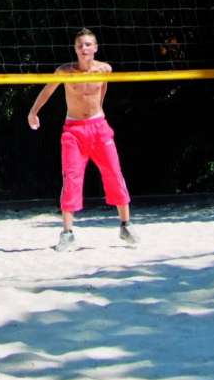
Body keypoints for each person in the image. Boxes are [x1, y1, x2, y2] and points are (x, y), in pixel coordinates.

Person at [27, 27, 135, 250]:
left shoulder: (105, 69)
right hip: (73, 131)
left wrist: (98, 114)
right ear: (75, 49)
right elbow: (48, 90)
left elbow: (102, 91)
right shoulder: (65, 71)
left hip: (99, 128)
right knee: (72, 178)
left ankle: (126, 225)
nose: (84, 48)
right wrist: (33, 112)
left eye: (88, 44)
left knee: (114, 173)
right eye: (80, 45)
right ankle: (67, 233)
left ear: (95, 48)